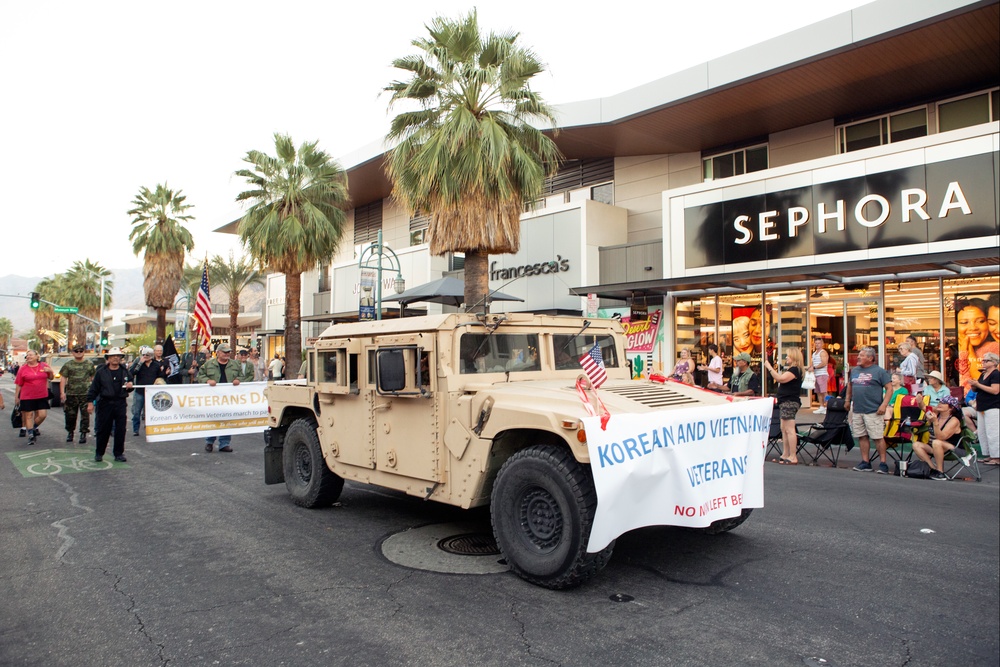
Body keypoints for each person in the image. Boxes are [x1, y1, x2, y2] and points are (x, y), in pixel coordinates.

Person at [198, 343, 254, 453]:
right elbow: (200, 376)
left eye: (228, 352)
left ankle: (224, 443)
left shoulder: (235, 364)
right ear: (218, 353)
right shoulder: (209, 364)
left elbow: (242, 376)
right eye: (225, 352)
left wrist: (238, 380)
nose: (227, 354)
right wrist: (208, 381)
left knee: (227, 418)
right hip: (213, 397)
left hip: (229, 397)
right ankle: (209, 442)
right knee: (213, 419)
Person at [847, 346, 894, 474]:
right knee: (862, 436)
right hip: (857, 409)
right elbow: (850, 386)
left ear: (870, 358)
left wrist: (884, 405)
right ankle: (865, 462)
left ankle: (883, 463)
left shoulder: (879, 371)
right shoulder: (855, 370)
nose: (858, 357)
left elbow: (890, 389)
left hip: (873, 410)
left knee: (877, 437)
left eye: (861, 355)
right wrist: (847, 400)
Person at [86, 347, 134, 463]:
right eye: (113, 356)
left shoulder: (125, 371)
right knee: (103, 429)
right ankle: (99, 453)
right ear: (108, 358)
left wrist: (130, 386)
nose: (116, 358)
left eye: (118, 356)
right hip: (105, 403)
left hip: (120, 403)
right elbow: (94, 389)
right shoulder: (101, 372)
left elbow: (130, 386)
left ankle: (118, 453)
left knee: (120, 429)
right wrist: (90, 403)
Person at [764, 348, 804, 465]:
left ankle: (793, 455)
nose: (786, 358)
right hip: (784, 401)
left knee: (789, 429)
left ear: (794, 358)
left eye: (788, 356)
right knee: (784, 428)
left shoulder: (795, 370)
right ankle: (785, 453)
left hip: (789, 401)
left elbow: (780, 378)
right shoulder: (792, 369)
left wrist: (769, 367)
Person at [911, 395, 964, 481]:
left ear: (951, 408)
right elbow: (924, 408)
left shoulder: (954, 420)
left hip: (953, 448)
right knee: (916, 445)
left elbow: (941, 437)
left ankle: (940, 471)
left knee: (936, 442)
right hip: (936, 447)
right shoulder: (937, 413)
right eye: (939, 402)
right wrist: (920, 401)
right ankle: (933, 469)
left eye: (943, 403)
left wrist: (935, 422)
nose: (939, 404)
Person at [13, 350, 54, 446]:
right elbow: (19, 384)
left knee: (42, 415)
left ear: (37, 357)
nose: (28, 357)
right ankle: (31, 435)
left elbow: (51, 378)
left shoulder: (43, 365)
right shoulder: (23, 369)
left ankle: (32, 428)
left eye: (31, 355)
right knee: (28, 415)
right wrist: (16, 397)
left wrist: (50, 371)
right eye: (27, 355)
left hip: (42, 395)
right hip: (27, 396)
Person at [956, 299, 999, 388]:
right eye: (964, 322)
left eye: (980, 321)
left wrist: (969, 353)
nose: (973, 327)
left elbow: (987, 382)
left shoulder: (995, 348)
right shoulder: (959, 348)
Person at [60, 344, 96, 444]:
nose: (79, 353)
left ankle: (83, 433)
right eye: (76, 351)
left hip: (85, 394)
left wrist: (94, 393)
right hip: (71, 394)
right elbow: (63, 378)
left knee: (85, 415)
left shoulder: (89, 364)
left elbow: (94, 378)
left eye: (81, 351)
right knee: (70, 415)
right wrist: (62, 392)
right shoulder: (68, 364)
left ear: (84, 352)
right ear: (73, 353)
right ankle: (70, 432)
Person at [969, 351, 999, 465]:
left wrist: (978, 385)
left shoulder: (996, 374)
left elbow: (995, 390)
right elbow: (977, 389)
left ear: (994, 362)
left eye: (987, 360)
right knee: (983, 431)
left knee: (993, 432)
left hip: (992, 406)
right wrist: (974, 385)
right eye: (983, 360)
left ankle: (996, 456)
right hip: (982, 406)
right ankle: (988, 454)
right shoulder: (983, 374)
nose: (984, 362)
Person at [130, 346, 166, 436]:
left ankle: (149, 427)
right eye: (144, 355)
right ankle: (135, 429)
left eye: (147, 355)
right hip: (140, 391)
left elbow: (160, 376)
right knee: (137, 411)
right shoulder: (139, 363)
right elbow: (132, 372)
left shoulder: (156, 365)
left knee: (150, 411)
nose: (145, 356)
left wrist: (164, 374)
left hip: (151, 392)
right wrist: (140, 363)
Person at [807, 337, 830, 414]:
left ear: (822, 344)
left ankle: (828, 407)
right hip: (816, 375)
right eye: (816, 343)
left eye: (819, 343)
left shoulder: (823, 352)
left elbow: (824, 363)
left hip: (822, 374)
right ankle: (821, 407)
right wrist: (810, 368)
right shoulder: (814, 353)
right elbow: (813, 364)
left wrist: (814, 367)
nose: (817, 345)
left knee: (824, 391)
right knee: (818, 392)